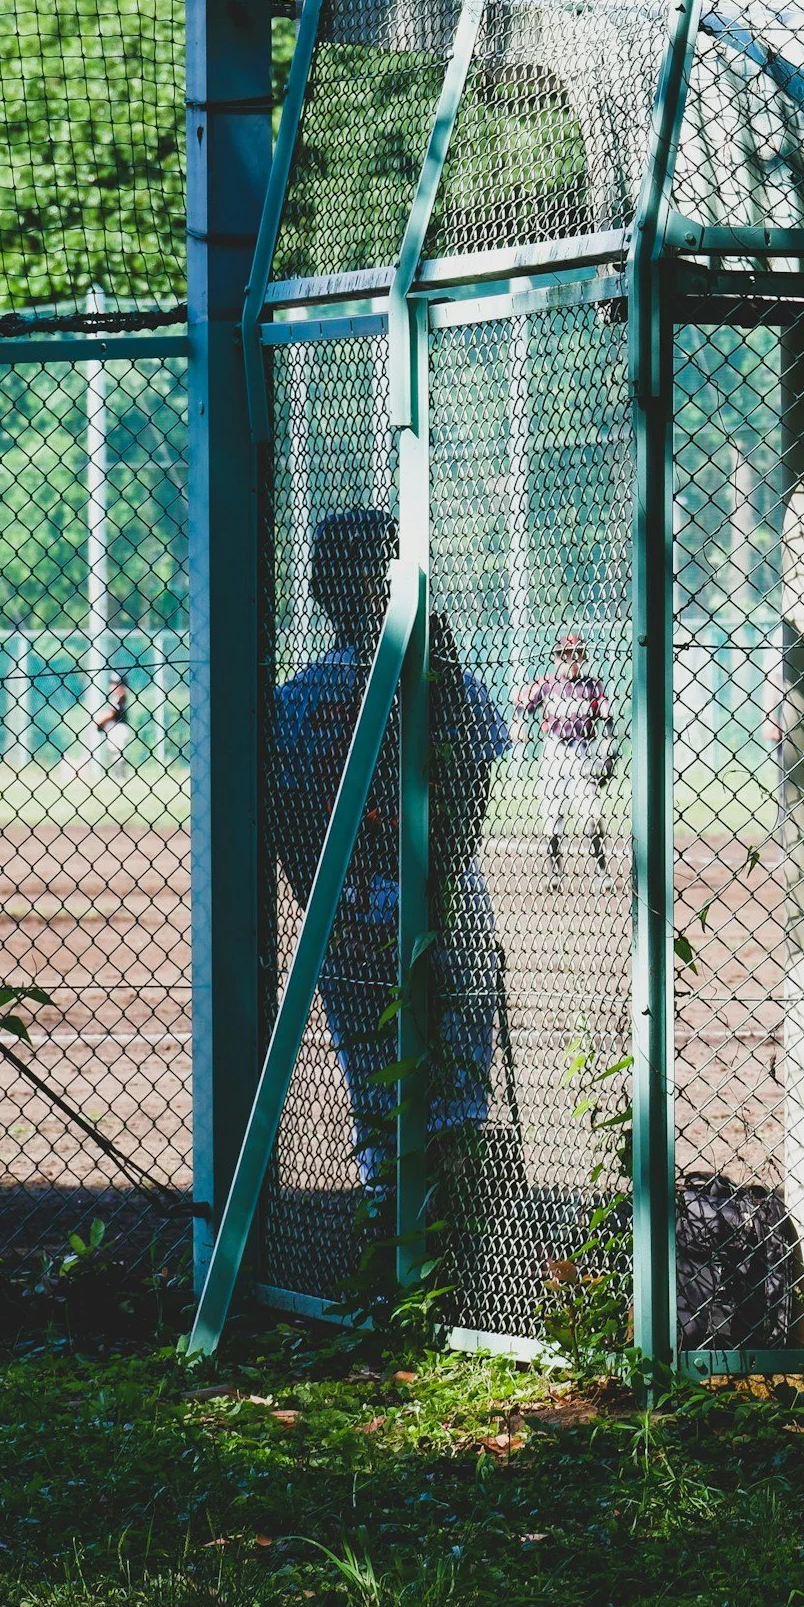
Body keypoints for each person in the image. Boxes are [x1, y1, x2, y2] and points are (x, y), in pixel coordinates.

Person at [270, 508, 510, 1192]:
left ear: (317, 588)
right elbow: (471, 805)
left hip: (344, 916)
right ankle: (451, 1255)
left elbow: (290, 833)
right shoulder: (445, 685)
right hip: (445, 906)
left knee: (376, 1106)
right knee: (458, 1101)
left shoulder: (295, 702)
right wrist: (435, 886)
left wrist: (331, 905)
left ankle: (388, 1255)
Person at [515, 632, 611, 889]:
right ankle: (555, 873)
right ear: (557, 658)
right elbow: (523, 702)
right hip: (554, 751)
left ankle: (602, 873)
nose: (572, 659)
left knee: (592, 813)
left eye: (577, 654)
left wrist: (609, 741)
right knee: (553, 813)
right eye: (566, 655)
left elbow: (606, 713)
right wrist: (518, 723)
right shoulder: (547, 683)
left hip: (583, 751)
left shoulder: (592, 686)